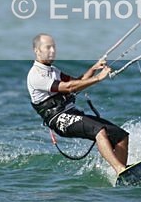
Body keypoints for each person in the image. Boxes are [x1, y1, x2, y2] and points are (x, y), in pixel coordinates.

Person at [27, 33, 130, 174]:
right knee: (99, 130)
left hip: (71, 113)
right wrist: (99, 78)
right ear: (37, 50)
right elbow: (69, 88)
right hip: (58, 119)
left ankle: (122, 173)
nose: (52, 51)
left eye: (54, 47)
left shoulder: (53, 71)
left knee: (121, 135)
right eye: (48, 47)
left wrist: (93, 69)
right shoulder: (35, 75)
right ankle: (120, 169)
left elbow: (77, 82)